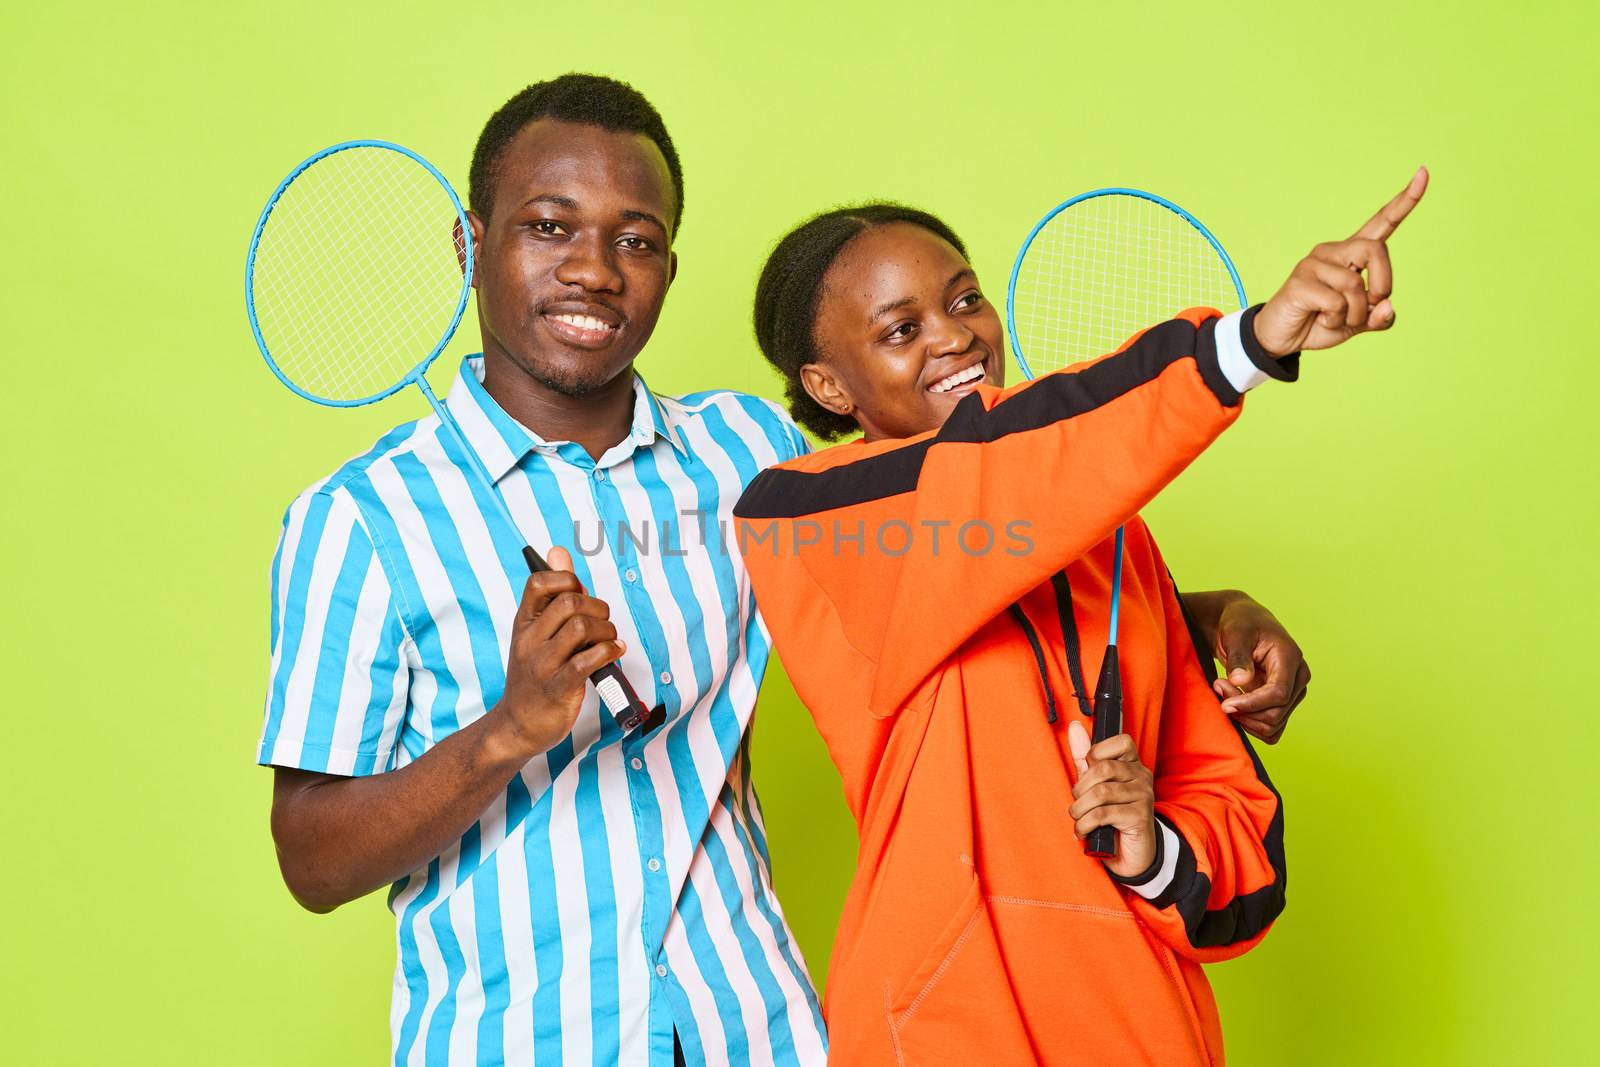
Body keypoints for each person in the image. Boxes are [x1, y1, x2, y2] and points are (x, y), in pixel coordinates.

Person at [256, 71, 1315, 1066]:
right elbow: (312, 857)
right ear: (469, 242)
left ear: (668, 266)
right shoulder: (355, 519)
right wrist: (511, 727)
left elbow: (960, 543)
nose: (592, 267)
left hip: (751, 1022)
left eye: (636, 238)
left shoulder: (753, 458)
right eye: (547, 226)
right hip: (520, 1034)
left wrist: (1198, 614)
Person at [734, 176, 1424, 1064]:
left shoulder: (1117, 545)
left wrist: (1155, 851)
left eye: (964, 298)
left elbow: (1243, 852)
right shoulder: (806, 520)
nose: (956, 336)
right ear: (829, 386)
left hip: (1144, 1034)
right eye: (901, 330)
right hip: (944, 1034)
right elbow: (985, 482)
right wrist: (1244, 345)